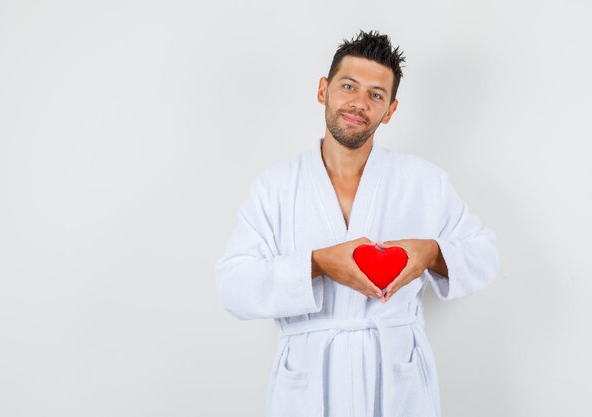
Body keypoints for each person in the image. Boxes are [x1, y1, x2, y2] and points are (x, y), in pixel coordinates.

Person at [214, 29, 499, 417]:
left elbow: (484, 254)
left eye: (375, 94)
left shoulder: (424, 182)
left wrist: (431, 253)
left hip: (396, 379)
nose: (359, 103)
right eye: (349, 86)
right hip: (309, 382)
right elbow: (233, 286)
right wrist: (316, 263)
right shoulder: (274, 187)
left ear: (390, 110)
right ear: (323, 90)